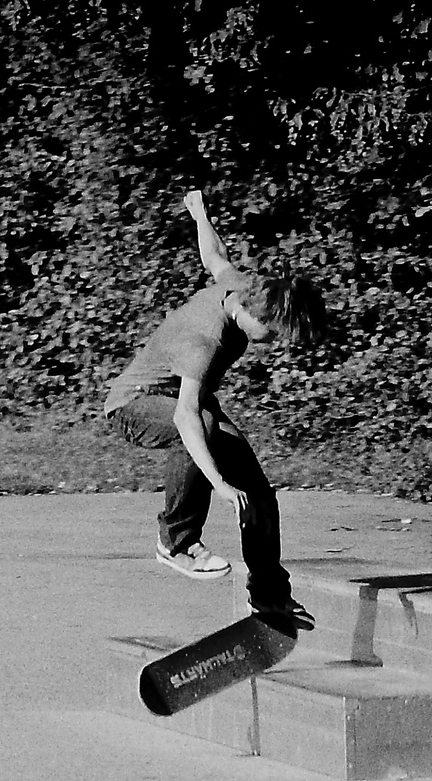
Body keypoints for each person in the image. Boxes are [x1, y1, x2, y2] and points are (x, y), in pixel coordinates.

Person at [104, 190, 326, 629]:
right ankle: (178, 541)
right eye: (272, 333)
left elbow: (214, 256)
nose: (273, 341)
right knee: (203, 426)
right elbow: (186, 417)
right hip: (135, 404)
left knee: (258, 494)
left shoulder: (244, 286)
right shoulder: (205, 338)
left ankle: (268, 595)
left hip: (187, 405)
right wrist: (220, 484)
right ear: (249, 314)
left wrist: (199, 213)